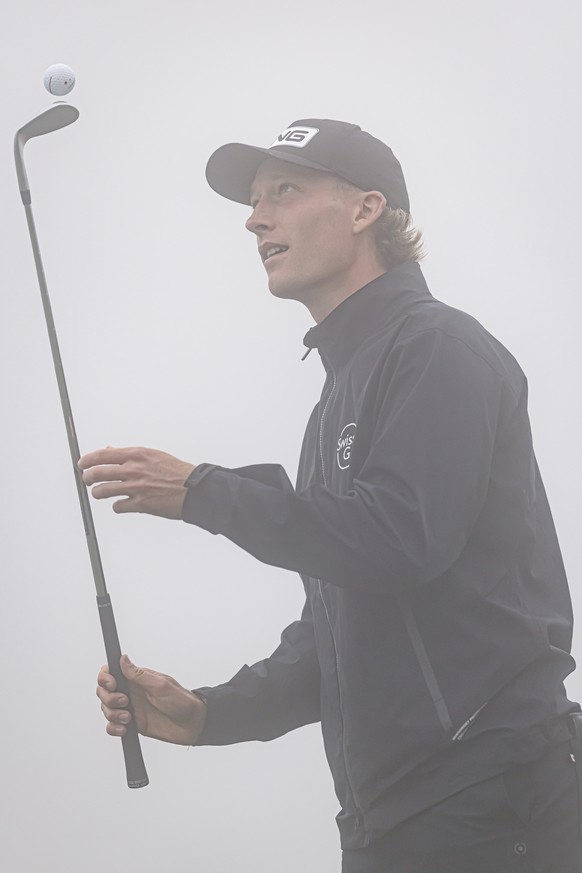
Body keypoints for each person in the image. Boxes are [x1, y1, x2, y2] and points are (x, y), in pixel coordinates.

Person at [80, 119, 582, 872]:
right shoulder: (333, 407)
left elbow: (399, 538)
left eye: (284, 190)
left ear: (365, 209)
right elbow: (334, 636)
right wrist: (211, 713)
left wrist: (207, 493)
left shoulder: (437, 346)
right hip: (389, 826)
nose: (255, 217)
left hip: (491, 795)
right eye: (253, 201)